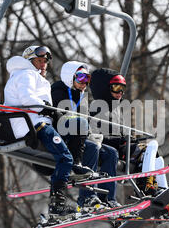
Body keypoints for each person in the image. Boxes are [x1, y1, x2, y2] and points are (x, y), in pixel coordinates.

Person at [3, 45, 88, 218]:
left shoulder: (29, 76)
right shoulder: (26, 74)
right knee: (65, 157)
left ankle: (72, 173)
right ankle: (57, 205)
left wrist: (49, 111)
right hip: (33, 126)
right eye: (38, 61)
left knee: (72, 137)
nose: (43, 65)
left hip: (36, 123)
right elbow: (27, 98)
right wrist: (46, 108)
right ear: (29, 61)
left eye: (45, 62)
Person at [51, 61, 121, 209]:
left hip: (80, 137)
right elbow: (61, 116)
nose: (85, 83)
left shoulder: (81, 96)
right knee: (92, 148)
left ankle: (107, 198)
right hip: (64, 138)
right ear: (70, 77)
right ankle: (87, 197)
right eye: (81, 78)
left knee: (111, 153)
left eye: (87, 79)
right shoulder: (58, 91)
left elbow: (86, 120)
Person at [89, 68, 168, 197]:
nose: (120, 92)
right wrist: (121, 140)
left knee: (155, 153)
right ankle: (148, 185)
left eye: (122, 88)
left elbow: (119, 132)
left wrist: (129, 138)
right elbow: (96, 136)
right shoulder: (96, 108)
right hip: (112, 148)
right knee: (151, 145)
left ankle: (159, 188)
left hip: (122, 147)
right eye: (116, 87)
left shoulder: (116, 109)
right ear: (104, 88)